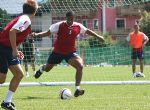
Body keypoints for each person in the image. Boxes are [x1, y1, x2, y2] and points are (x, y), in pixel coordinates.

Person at [32, 11, 105, 97]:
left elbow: (87, 31)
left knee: (80, 66)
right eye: (68, 19)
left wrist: (98, 36)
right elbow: (48, 33)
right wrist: (36, 34)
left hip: (70, 53)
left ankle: (77, 89)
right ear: (66, 18)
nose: (70, 21)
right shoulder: (59, 25)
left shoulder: (78, 26)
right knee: (47, 69)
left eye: (71, 19)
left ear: (73, 18)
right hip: (57, 52)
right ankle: (41, 69)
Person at [0, 0, 38, 110]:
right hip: (2, 48)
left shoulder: (23, 18)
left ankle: (6, 102)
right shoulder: (26, 19)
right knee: (1, 79)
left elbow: (12, 34)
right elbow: (12, 32)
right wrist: (15, 50)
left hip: (7, 49)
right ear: (34, 11)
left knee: (19, 74)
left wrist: (15, 49)